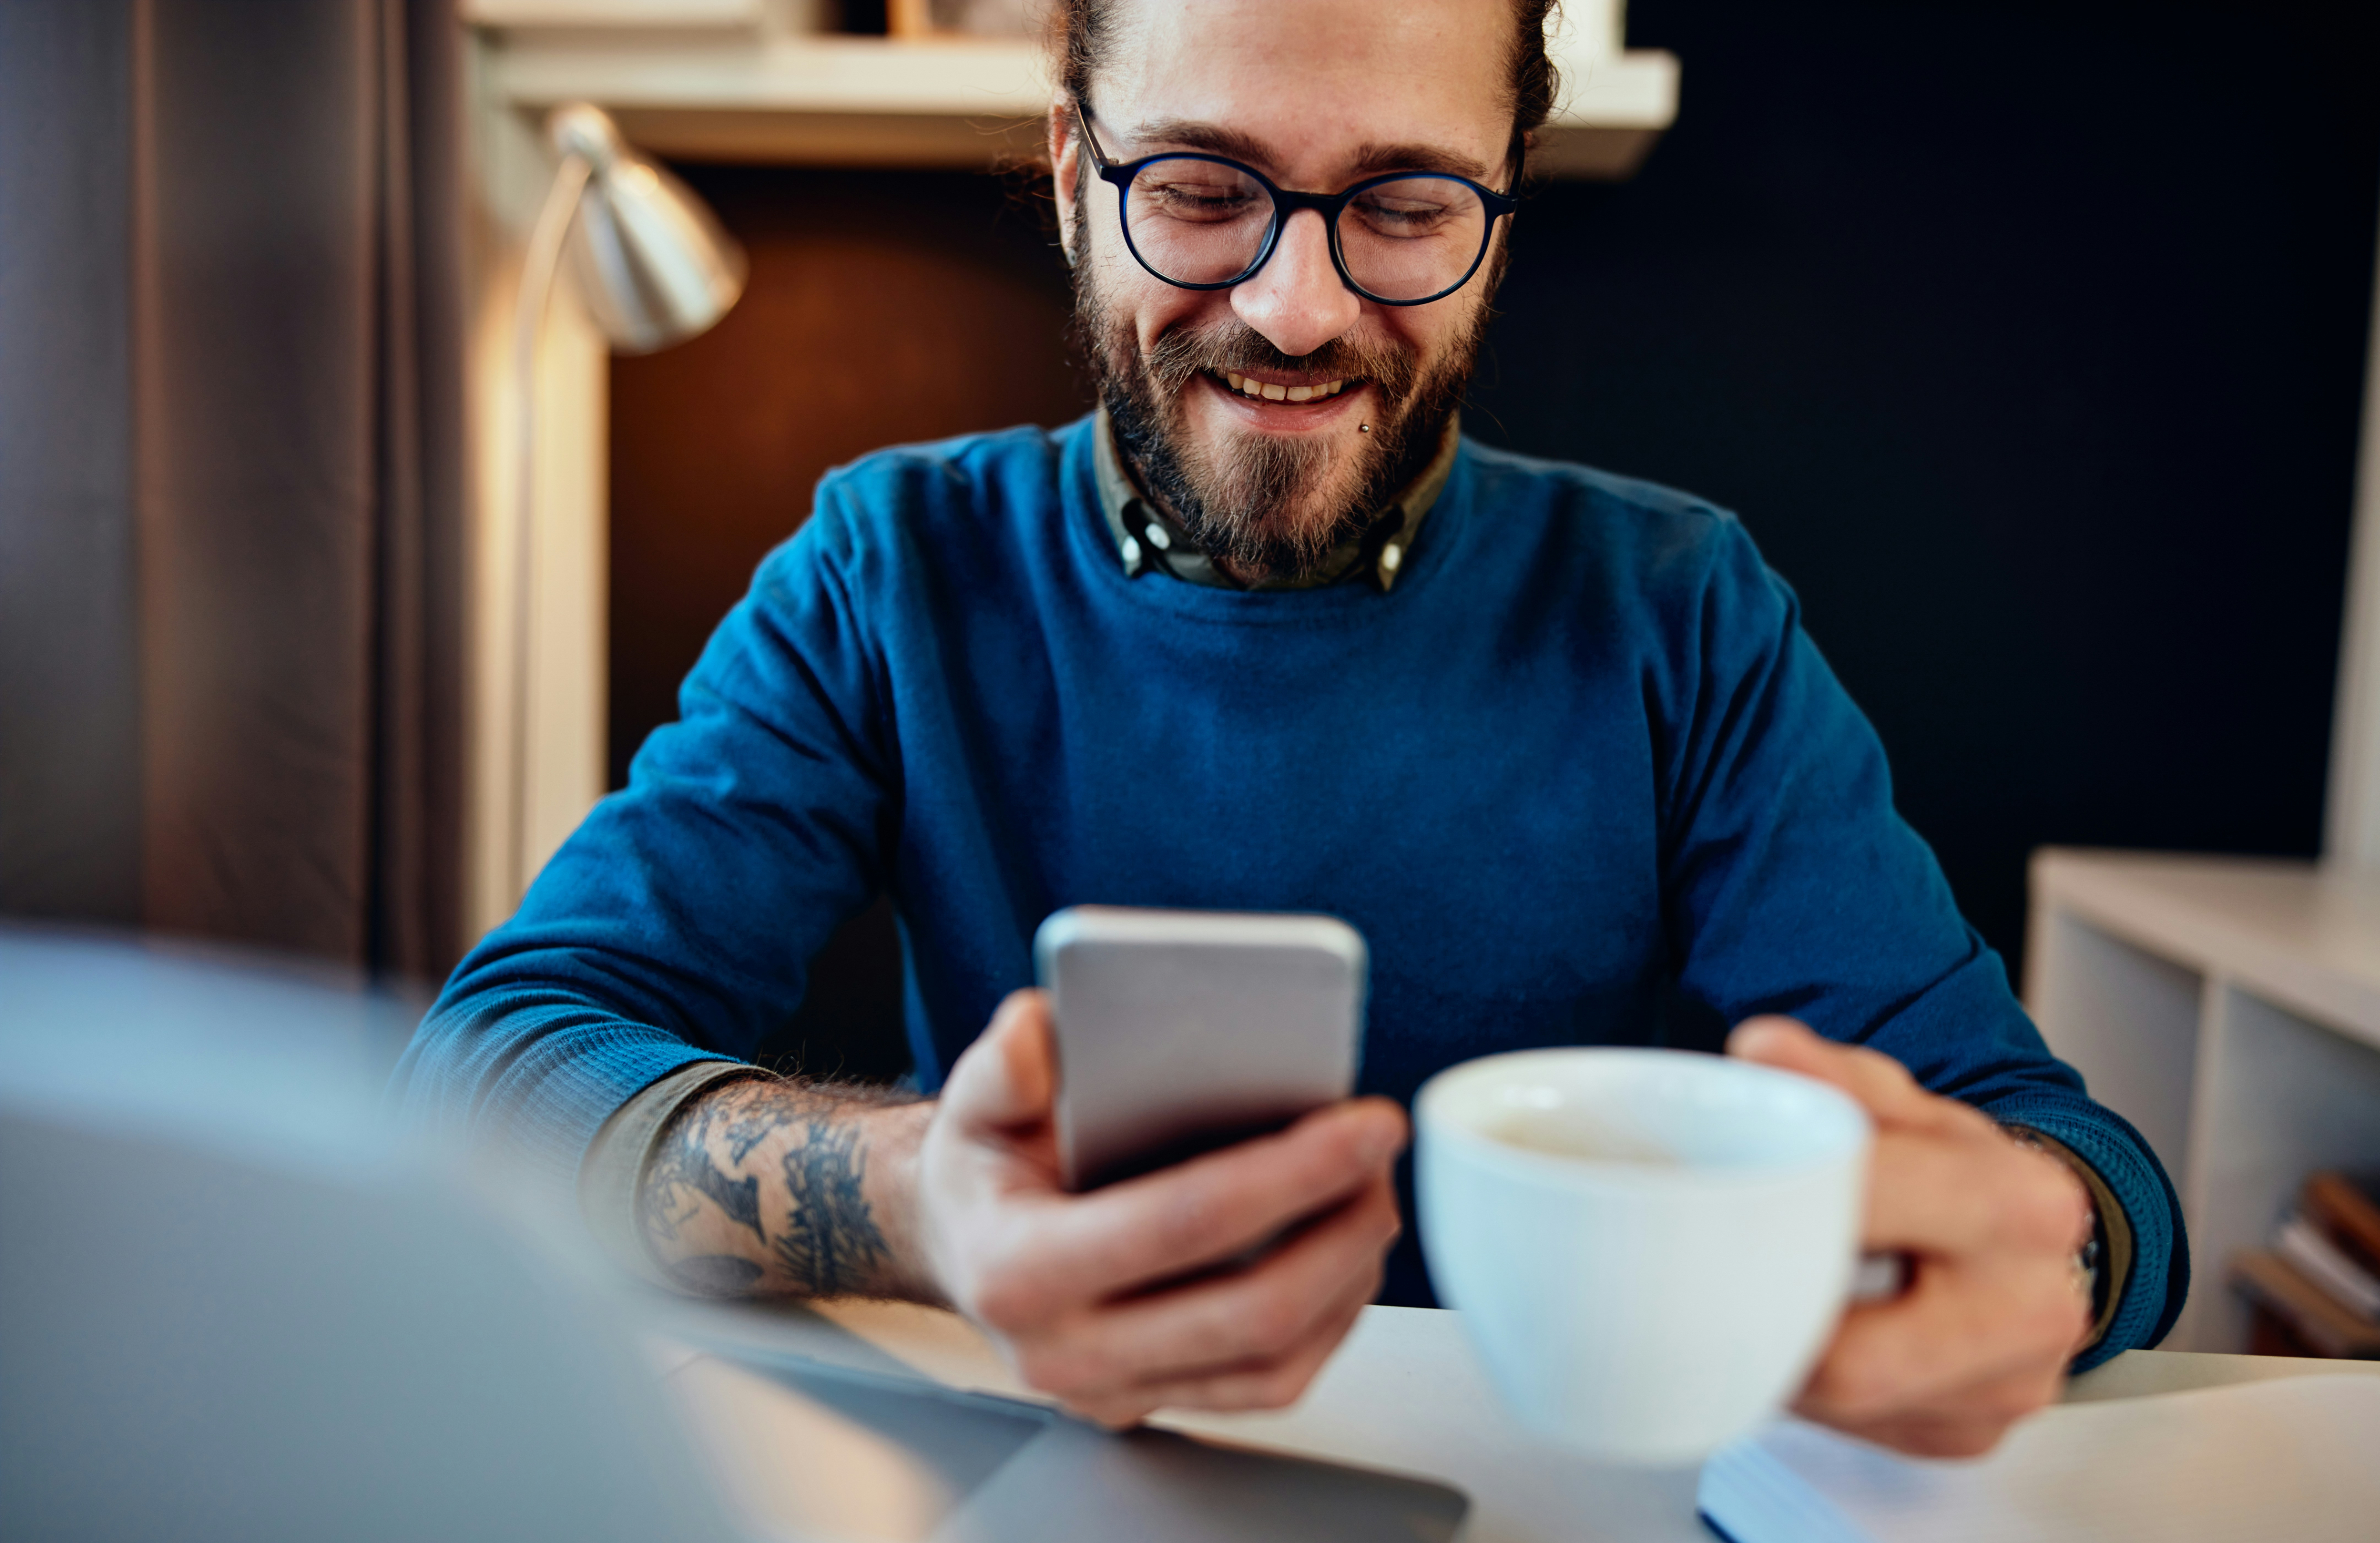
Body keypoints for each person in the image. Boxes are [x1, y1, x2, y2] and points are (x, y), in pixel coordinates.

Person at [399, 0, 2184, 1455]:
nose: (1295, 309)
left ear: (1505, 204)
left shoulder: (1681, 615)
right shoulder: (891, 574)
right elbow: (488, 1069)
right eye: (1199, 187)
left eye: (1404, 205)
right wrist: (914, 1195)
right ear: (1072, 170)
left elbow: (2075, 1167)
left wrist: (2042, 1254)